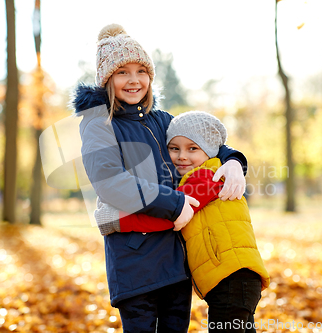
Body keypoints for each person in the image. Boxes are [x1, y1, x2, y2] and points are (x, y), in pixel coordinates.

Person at [72, 24, 248, 333]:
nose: (134, 80)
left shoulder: (162, 120)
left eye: (141, 70)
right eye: (122, 72)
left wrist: (233, 161)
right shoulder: (99, 124)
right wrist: (176, 202)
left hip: (176, 261)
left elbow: (206, 143)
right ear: (107, 79)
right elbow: (110, 181)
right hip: (135, 262)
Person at [96, 111, 270, 333]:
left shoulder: (209, 177)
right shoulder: (199, 175)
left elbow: (166, 218)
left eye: (192, 148)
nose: (181, 156)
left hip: (232, 278)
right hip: (236, 278)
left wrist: (115, 220)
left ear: (209, 149)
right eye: (174, 148)